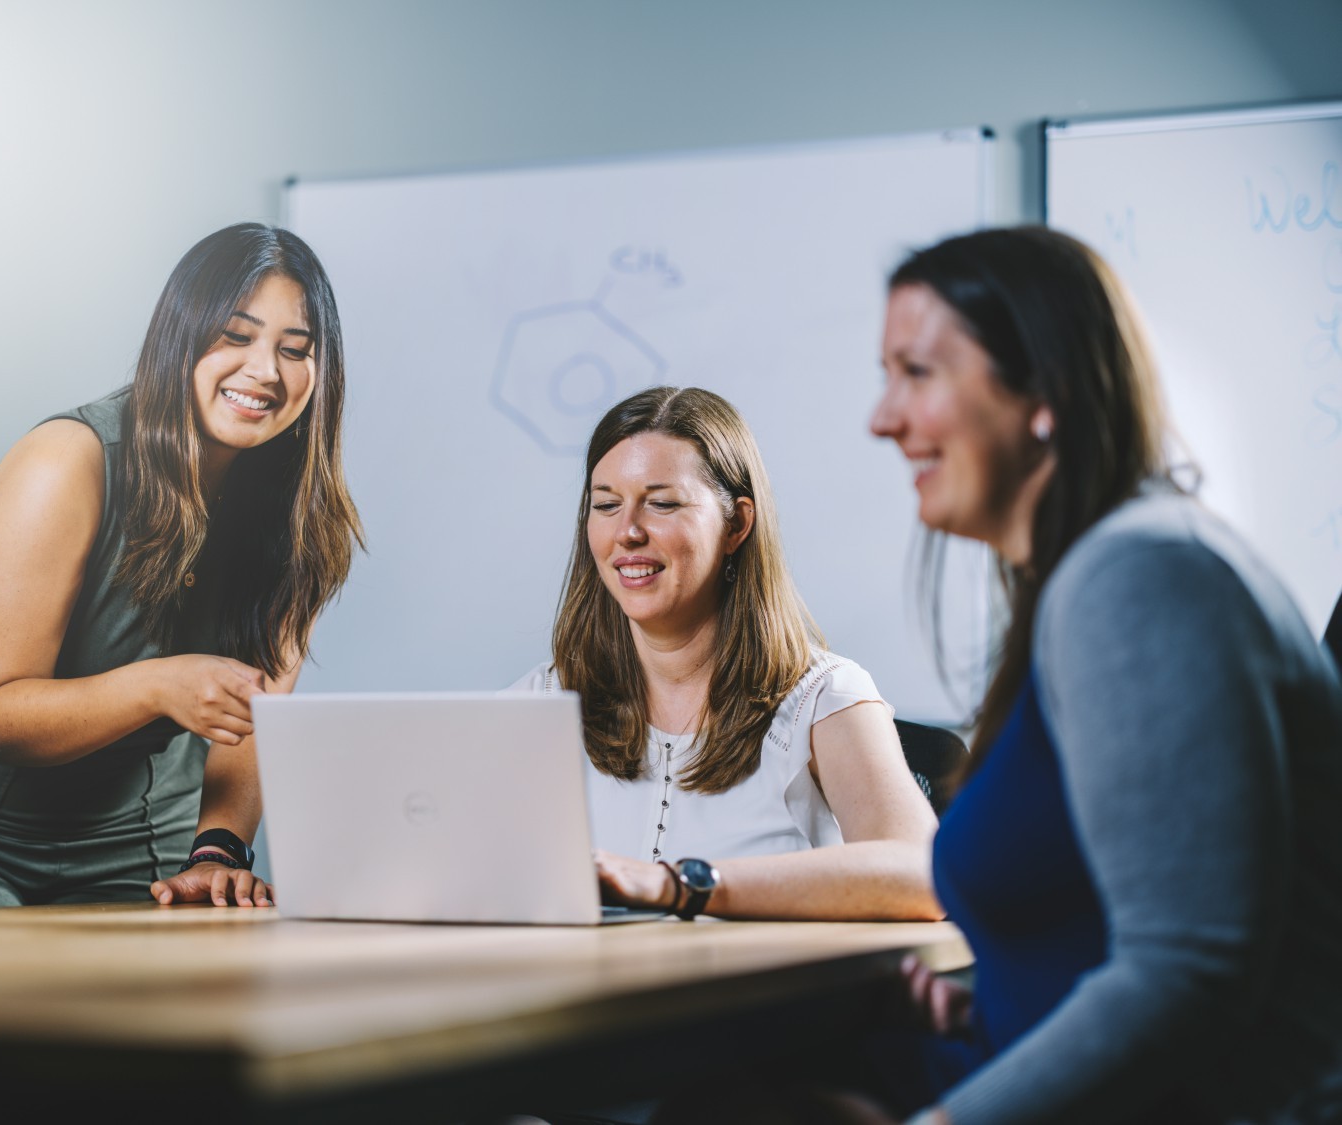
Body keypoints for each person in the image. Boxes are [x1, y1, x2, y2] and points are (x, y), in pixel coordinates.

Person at [836, 225, 1342, 1124]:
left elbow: (1189, 971)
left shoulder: (1139, 577)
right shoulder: (1102, 572)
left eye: (917, 373)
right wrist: (995, 1009)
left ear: (1046, 392)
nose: (881, 418)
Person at [0, 223, 363, 912]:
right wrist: (156, 686)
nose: (265, 370)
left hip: (136, 848)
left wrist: (216, 850)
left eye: (294, 350)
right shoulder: (67, 461)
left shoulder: (301, 522)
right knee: (16, 996)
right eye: (235, 336)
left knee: (207, 992)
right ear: (181, 336)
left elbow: (250, 719)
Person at [514, 385, 940, 923]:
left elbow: (924, 876)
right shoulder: (541, 700)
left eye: (663, 503)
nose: (627, 532)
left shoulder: (824, 698)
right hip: (585, 1003)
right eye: (605, 505)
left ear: (737, 524)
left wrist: (681, 885)